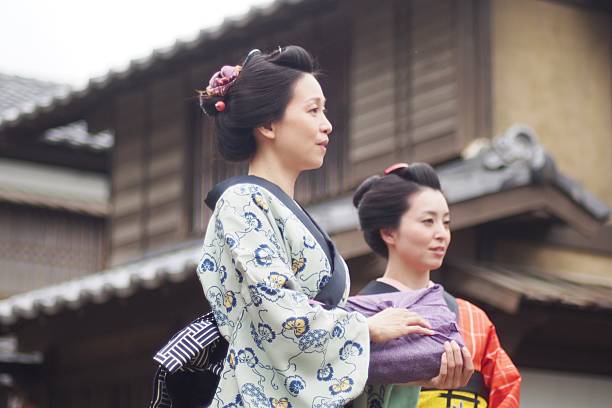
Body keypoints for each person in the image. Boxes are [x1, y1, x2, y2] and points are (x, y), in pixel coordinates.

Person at [195, 46, 452, 408]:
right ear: (268, 125)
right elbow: (279, 313)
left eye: (325, 110)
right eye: (313, 110)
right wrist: (367, 329)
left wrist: (407, 364)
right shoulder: (241, 203)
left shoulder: (287, 210)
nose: (327, 124)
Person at [353, 162, 522, 407]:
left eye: (446, 222)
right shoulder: (356, 318)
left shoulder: (473, 318)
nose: (442, 233)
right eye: (428, 221)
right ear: (389, 232)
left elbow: (505, 392)